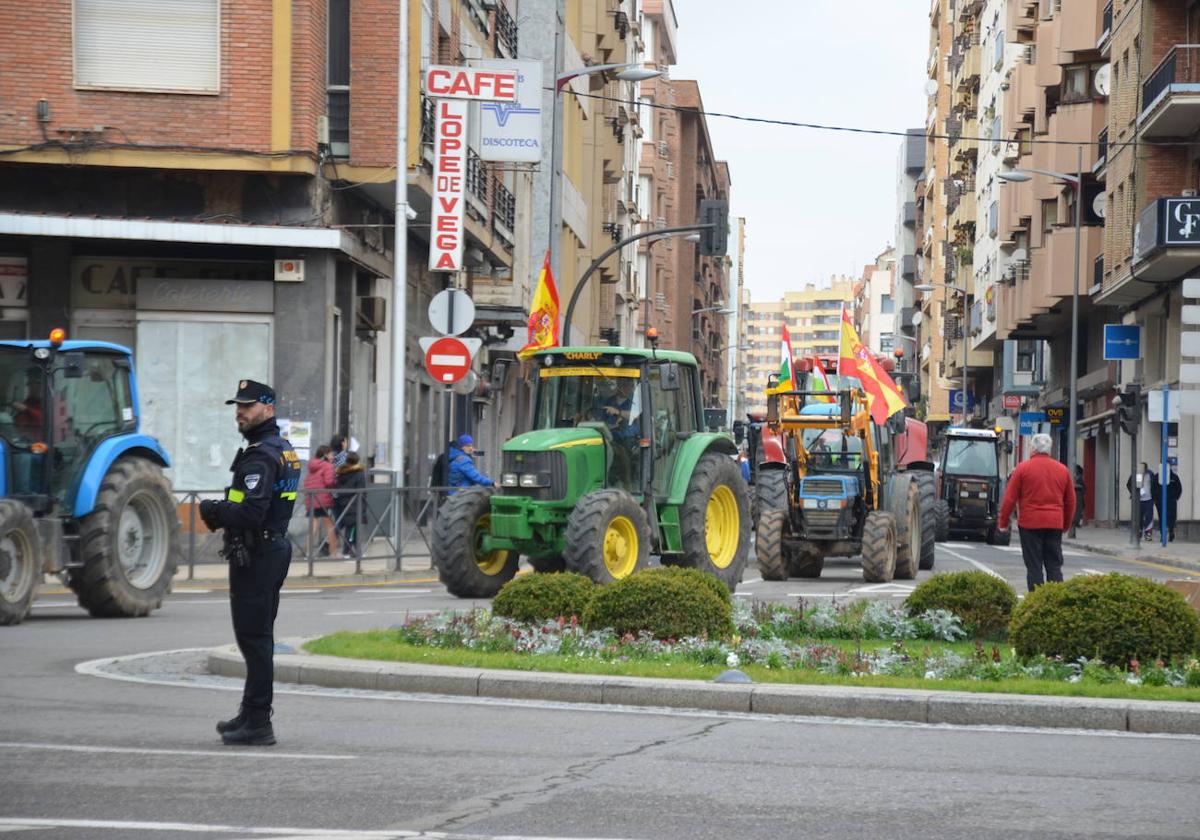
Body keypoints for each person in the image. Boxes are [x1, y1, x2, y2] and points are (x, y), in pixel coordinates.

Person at [199, 379, 301, 747]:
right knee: (256, 637)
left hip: (257, 553)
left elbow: (251, 512)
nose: (240, 412)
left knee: (254, 639)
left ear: (268, 409)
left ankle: (258, 721)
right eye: (237, 405)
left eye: (247, 405)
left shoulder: (260, 455)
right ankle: (249, 711)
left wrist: (212, 511)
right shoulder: (281, 449)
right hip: (270, 549)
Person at [997, 433, 1075, 592]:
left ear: (1032, 449)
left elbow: (1010, 498)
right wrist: (1065, 525)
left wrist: (1003, 523)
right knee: (1054, 565)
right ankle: (1055, 601)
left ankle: (1036, 600)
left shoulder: (1022, 469)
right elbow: (1071, 502)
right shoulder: (1063, 470)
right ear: (1050, 450)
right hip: (1054, 524)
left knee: (1034, 566)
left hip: (1030, 524)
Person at [304, 445, 338, 556]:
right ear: (326, 455)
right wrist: (335, 484)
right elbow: (329, 482)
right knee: (330, 527)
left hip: (312, 499)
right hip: (324, 500)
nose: (333, 457)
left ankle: (308, 554)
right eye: (331, 454)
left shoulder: (312, 466)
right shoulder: (328, 466)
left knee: (313, 528)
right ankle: (334, 554)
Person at [334, 450, 366, 555]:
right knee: (352, 529)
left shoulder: (341, 473)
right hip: (355, 504)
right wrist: (364, 505)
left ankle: (356, 552)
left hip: (343, 503)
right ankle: (346, 552)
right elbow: (362, 490)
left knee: (352, 527)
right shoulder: (359, 474)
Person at [1151, 464, 1184, 542]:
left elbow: (1179, 488)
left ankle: (1171, 531)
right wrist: (1155, 499)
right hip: (1160, 501)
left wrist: (1175, 497)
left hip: (1171, 501)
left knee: (1172, 517)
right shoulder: (1157, 477)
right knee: (1162, 517)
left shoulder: (1174, 477)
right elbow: (1153, 488)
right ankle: (1163, 535)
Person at [1127, 463, 1156, 540]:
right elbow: (1129, 484)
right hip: (1138, 500)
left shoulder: (1150, 474)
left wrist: (1154, 495)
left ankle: (1148, 534)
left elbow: (1154, 485)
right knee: (1138, 517)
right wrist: (1134, 493)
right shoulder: (1135, 474)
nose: (1142, 470)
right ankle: (1138, 533)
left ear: (1146, 469)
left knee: (1149, 517)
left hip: (1149, 499)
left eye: (1143, 468)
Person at [1073, 465, 1086, 529]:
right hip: (1077, 497)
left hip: (1079, 497)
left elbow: (1084, 488)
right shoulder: (1076, 478)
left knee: (1079, 510)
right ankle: (1077, 522)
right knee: (1078, 510)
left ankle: (1077, 522)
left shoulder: (1079, 478)